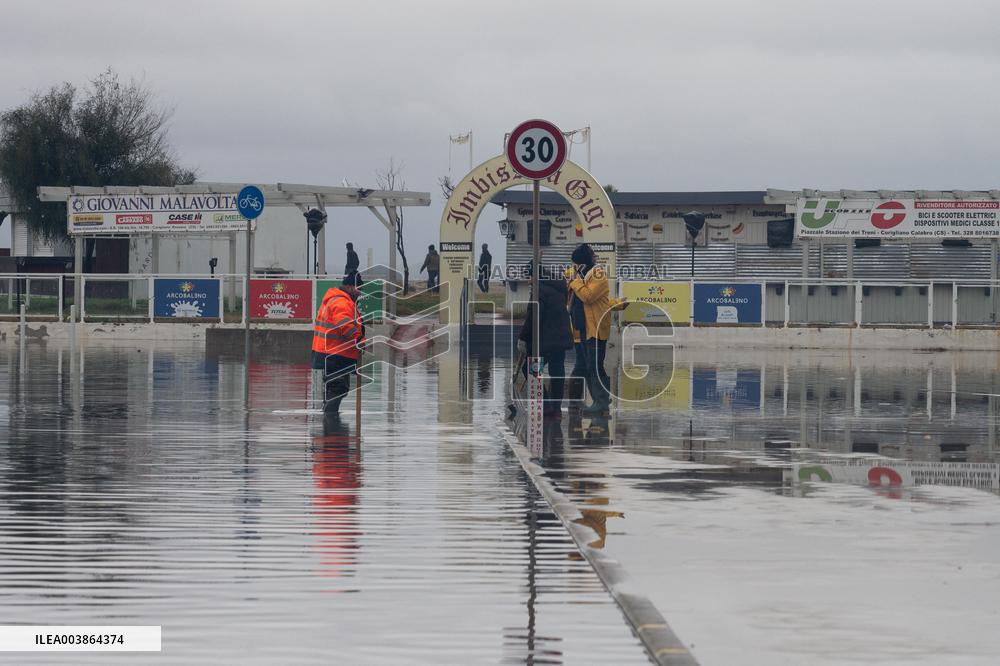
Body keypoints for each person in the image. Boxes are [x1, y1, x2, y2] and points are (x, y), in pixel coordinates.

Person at [517, 265, 574, 418]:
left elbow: (532, 318)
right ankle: (556, 409)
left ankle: (547, 404)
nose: (527, 281)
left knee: (530, 370)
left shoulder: (538, 292)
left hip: (545, 339)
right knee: (557, 372)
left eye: (528, 276)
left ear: (534, 277)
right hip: (560, 337)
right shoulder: (557, 287)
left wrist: (523, 338)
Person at [567, 243, 612, 414]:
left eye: (575, 264)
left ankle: (601, 402)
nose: (573, 267)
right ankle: (601, 401)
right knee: (590, 365)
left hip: (596, 329)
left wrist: (576, 283)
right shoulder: (581, 275)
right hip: (583, 329)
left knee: (594, 365)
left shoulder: (598, 274)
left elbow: (588, 296)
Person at [312, 272, 365, 413]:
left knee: (334, 387)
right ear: (349, 287)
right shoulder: (342, 302)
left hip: (330, 353)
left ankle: (328, 422)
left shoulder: (337, 300)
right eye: (358, 288)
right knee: (338, 387)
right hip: (335, 353)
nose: (360, 292)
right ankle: (330, 421)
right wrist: (359, 340)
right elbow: (345, 325)